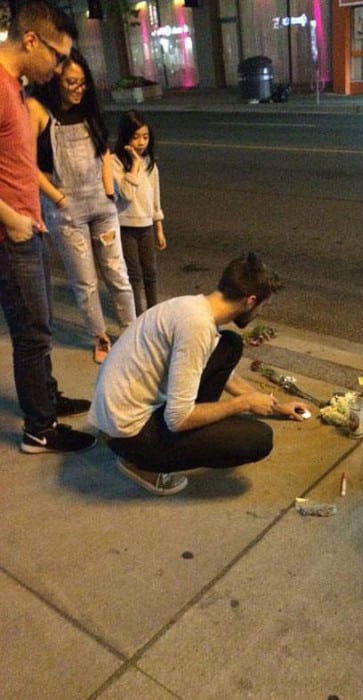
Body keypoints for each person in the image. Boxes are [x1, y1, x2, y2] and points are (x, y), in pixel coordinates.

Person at [89, 253, 311, 496]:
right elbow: (177, 419)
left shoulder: (195, 306)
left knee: (229, 344)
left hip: (119, 417)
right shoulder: (197, 327)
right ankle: (142, 466)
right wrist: (243, 404)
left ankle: (187, 431)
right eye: (263, 305)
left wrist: (277, 407)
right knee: (257, 439)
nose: (260, 311)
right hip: (129, 436)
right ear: (250, 301)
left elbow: (227, 376)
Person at [0, 0, 96, 454]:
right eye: (57, 56)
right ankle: (40, 429)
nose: (60, 68)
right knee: (32, 333)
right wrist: (13, 220)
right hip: (11, 235)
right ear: (32, 40)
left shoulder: (15, 87)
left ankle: (46, 399)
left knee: (42, 327)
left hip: (28, 227)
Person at [27, 47, 135, 364]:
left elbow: (103, 152)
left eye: (83, 83)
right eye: (72, 83)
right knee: (85, 281)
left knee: (118, 273)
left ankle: (131, 331)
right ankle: (100, 337)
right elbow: (26, 163)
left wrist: (107, 191)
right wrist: (58, 198)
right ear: (55, 80)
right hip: (65, 209)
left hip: (101, 204)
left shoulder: (88, 110)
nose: (78, 89)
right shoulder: (38, 110)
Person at [112, 110, 166, 315]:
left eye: (145, 136)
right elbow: (125, 193)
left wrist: (159, 227)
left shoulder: (150, 163)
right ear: (125, 137)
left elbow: (155, 197)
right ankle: (138, 314)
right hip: (126, 227)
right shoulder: (116, 162)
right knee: (134, 275)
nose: (141, 142)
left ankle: (153, 312)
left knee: (150, 273)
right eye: (135, 137)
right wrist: (134, 163)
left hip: (146, 226)